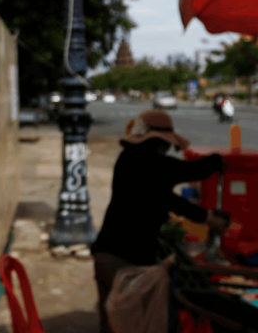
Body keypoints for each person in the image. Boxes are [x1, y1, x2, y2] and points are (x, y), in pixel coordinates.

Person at [91, 109, 229, 333]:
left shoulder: (128, 158)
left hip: (106, 253)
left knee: (111, 323)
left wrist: (205, 216)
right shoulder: (153, 163)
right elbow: (193, 171)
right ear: (160, 141)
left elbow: (165, 198)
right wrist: (216, 161)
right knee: (133, 324)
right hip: (126, 261)